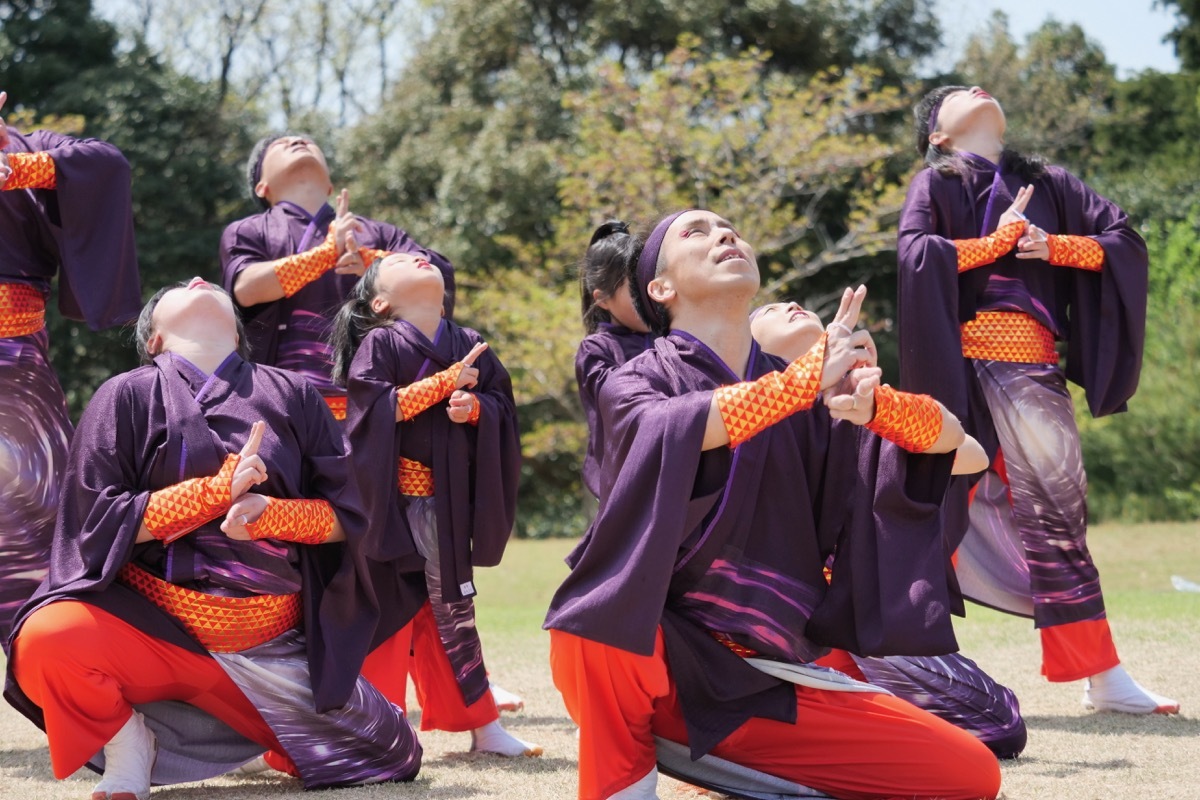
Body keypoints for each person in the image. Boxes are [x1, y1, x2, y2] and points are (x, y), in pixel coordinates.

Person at [545, 208, 1002, 800]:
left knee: (968, 774)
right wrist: (796, 387)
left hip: (761, 680)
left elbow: (966, 454)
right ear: (660, 288)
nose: (726, 235)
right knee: (594, 619)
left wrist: (877, 409)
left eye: (729, 227)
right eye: (697, 232)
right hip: (648, 663)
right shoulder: (635, 379)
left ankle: (713, 764)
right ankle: (626, 781)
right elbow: (667, 427)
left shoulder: (814, 396)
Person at [3, 279, 423, 799]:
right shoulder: (124, 395)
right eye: (177, 287)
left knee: (395, 756)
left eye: (204, 283)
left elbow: (351, 519)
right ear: (153, 339)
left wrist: (270, 515)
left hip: (272, 643)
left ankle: (274, 738)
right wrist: (211, 493)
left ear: (240, 332)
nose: (197, 280)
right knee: (45, 638)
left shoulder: (293, 393)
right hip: (155, 635)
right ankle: (129, 743)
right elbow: (94, 523)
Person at [898, 85, 1178, 715]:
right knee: (919, 509)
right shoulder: (937, 182)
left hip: (1030, 364)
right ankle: (880, 659)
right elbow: (914, 255)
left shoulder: (1050, 182)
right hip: (952, 369)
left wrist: (1054, 247)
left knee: (1058, 517)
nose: (974, 88)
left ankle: (1102, 676)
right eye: (953, 94)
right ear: (937, 135)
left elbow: (1124, 239)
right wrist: (995, 245)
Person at [751, 300, 1026, 760]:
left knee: (999, 719)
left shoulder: (862, 400)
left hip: (862, 627)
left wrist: (879, 408)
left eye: (794, 302)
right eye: (773, 309)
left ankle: (855, 713)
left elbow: (971, 456)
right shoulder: (752, 406)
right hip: (783, 626)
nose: (792, 305)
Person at [333, 253, 540, 757]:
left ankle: (484, 728)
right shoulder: (381, 342)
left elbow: (502, 409)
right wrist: (446, 384)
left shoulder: (469, 343)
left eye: (422, 256)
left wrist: (477, 412)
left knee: (454, 610)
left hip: (441, 508)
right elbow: (375, 411)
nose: (419, 257)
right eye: (402, 260)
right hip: (388, 506)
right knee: (385, 616)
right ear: (380, 301)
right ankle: (376, 730)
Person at [0, 89, 142, 649]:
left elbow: (107, 163)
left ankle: (53, 662)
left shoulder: (40, 148)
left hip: (15, 360)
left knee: (37, 500)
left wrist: (16, 170)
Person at [219, 133, 455, 420]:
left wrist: (371, 261)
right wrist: (324, 255)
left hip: (376, 405)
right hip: (281, 408)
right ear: (261, 186)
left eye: (308, 142)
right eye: (281, 144)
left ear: (330, 185)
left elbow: (436, 273)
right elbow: (245, 289)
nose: (298, 141)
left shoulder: (379, 234)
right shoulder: (248, 230)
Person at [575, 220, 656, 498]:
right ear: (603, 300)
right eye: (635, 290)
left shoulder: (675, 335)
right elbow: (623, 404)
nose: (650, 299)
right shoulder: (595, 350)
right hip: (625, 484)